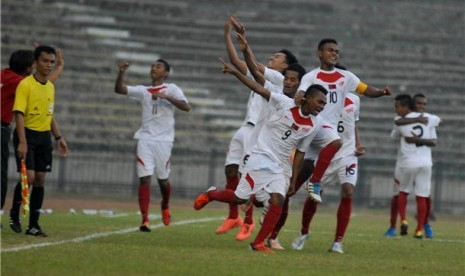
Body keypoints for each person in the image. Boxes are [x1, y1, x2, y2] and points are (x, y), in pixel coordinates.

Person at [194, 58, 328, 253]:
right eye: (320, 101)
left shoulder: (314, 124)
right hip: (260, 157)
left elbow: (300, 152)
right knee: (240, 198)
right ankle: (211, 194)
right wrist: (235, 73)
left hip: (281, 166)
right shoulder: (283, 103)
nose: (322, 106)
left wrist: (293, 178)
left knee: (278, 200)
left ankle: (257, 243)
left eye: (324, 103)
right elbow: (258, 87)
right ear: (307, 97)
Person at [215, 15, 298, 241]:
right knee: (231, 170)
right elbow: (240, 64)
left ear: (286, 67)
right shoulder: (265, 77)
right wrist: (226, 35)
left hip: (260, 135)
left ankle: (250, 221)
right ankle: (235, 217)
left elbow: (248, 64)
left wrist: (246, 45)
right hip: (245, 128)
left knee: (251, 185)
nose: (272, 57)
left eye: (277, 57)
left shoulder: (279, 80)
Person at [294, 38, 391, 205]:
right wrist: (298, 98)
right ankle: (289, 193)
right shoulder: (311, 76)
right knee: (299, 175)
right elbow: (300, 94)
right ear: (320, 53)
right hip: (313, 125)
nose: (334, 53)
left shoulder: (346, 76)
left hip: (326, 130)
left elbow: (366, 90)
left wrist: (381, 92)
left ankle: (312, 183)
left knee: (334, 144)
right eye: (330, 50)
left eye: (336, 51)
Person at [114, 59, 191, 232]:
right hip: (145, 139)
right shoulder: (143, 91)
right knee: (145, 178)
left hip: (164, 141)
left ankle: (165, 205)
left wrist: (168, 97)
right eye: (153, 66)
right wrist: (121, 73)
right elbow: (119, 89)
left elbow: (187, 107)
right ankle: (145, 219)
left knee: (163, 180)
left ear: (166, 73)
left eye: (158, 66)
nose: (154, 68)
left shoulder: (172, 88)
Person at [288, 93, 365, 254]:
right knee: (314, 195)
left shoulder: (355, 99)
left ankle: (338, 242)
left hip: (348, 154)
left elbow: (354, 123)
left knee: (348, 191)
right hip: (327, 153)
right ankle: (304, 231)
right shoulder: (324, 100)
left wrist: (357, 143)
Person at [11, 45, 68, 237]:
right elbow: (19, 113)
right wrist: (22, 141)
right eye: (45, 61)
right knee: (30, 178)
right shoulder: (25, 85)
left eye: (52, 62)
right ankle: (14, 214)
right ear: (35, 63)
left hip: (44, 136)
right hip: (27, 134)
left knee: (41, 180)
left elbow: (49, 115)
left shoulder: (50, 87)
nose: (49, 65)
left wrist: (59, 137)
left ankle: (33, 225)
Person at [385, 94, 440, 238]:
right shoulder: (419, 119)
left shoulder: (424, 120)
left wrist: (413, 138)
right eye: (418, 103)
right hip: (407, 162)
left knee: (419, 195)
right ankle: (394, 227)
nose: (421, 106)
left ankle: (424, 224)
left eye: (424, 104)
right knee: (403, 195)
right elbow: (395, 133)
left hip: (409, 162)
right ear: (412, 104)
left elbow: (434, 141)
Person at [1, 50, 35, 217]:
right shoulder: (20, 82)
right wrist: (58, 67)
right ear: (28, 68)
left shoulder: (3, 75)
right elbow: (43, 85)